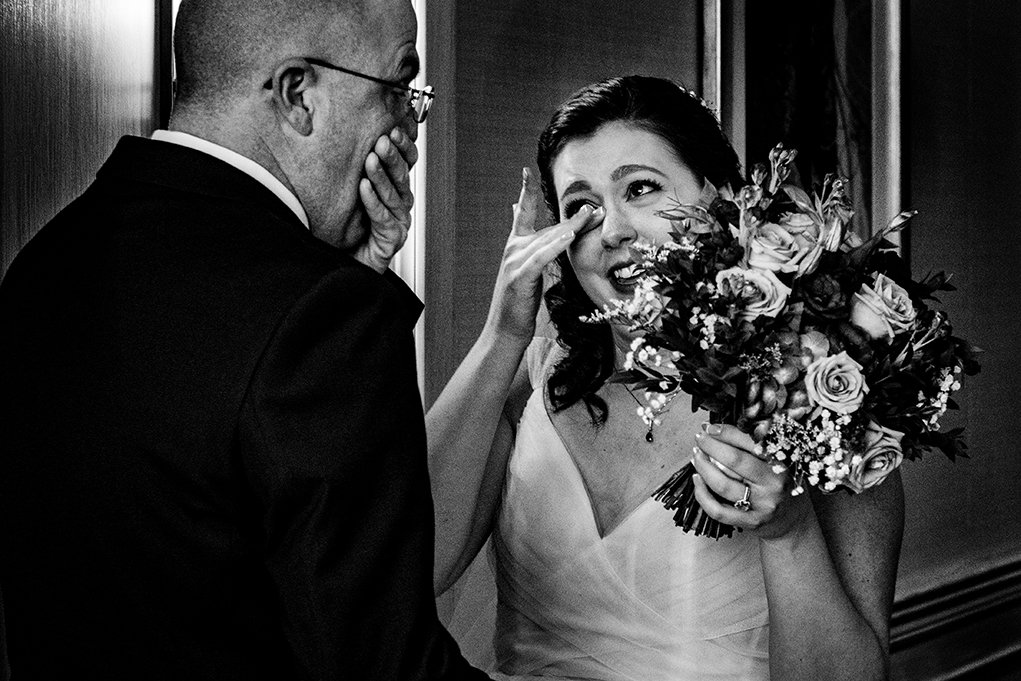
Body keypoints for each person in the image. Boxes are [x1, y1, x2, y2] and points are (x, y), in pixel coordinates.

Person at [0, 0, 486, 678]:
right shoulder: (321, 318)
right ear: (298, 95)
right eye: (397, 90)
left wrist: (352, 275)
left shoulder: (42, 265)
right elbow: (382, 665)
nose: (406, 129)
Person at [427, 76, 904, 680]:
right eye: (581, 207)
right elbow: (406, 566)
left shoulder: (823, 393)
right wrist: (501, 337)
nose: (613, 231)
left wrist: (788, 531)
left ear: (723, 199)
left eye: (641, 189)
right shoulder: (526, 382)